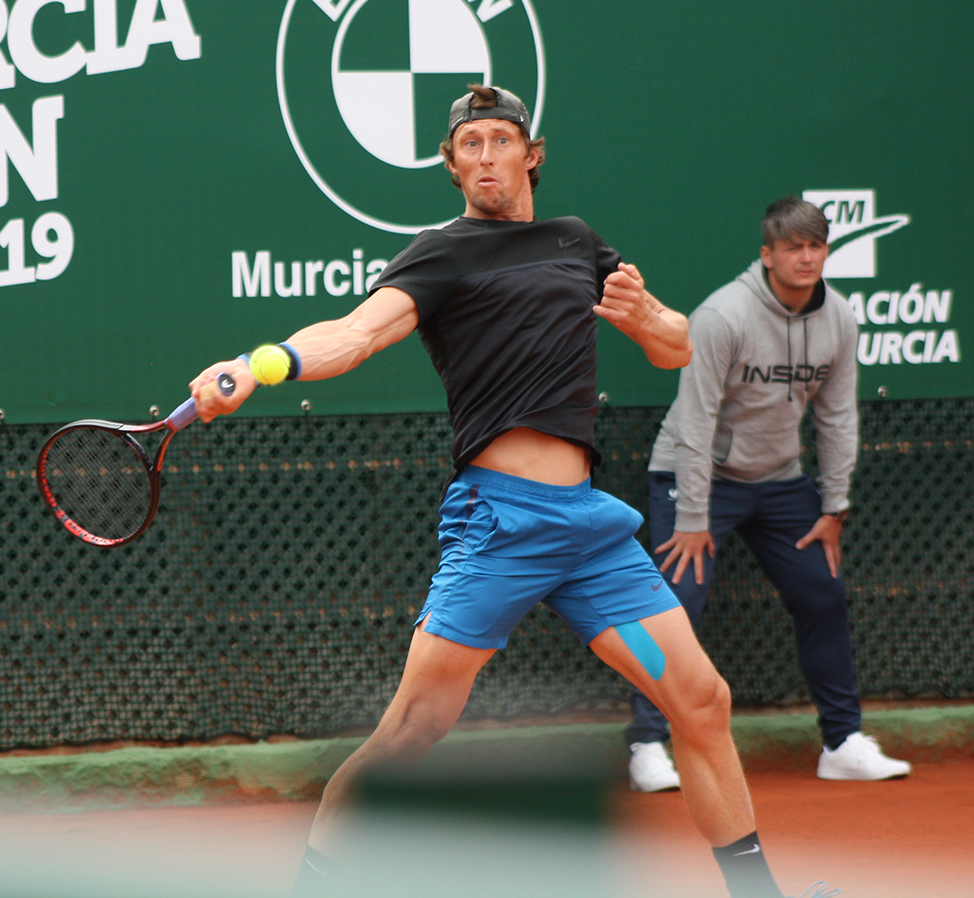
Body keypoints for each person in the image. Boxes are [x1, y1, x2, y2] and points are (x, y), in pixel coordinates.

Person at [190, 86, 801, 898]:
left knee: (701, 698)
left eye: (498, 140)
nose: (484, 156)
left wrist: (643, 310)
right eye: (468, 144)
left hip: (589, 532)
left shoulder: (576, 241)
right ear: (452, 164)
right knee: (410, 733)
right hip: (500, 525)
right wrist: (263, 362)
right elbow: (358, 330)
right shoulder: (440, 253)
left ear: (529, 153)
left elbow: (676, 346)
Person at [624, 197, 910, 794]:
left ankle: (842, 743)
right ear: (768, 254)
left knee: (823, 593)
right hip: (694, 478)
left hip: (780, 483)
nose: (806, 258)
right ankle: (649, 746)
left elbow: (836, 419)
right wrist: (695, 516)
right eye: (793, 248)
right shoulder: (721, 316)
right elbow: (697, 422)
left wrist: (834, 508)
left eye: (816, 247)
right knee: (674, 607)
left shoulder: (840, 321)